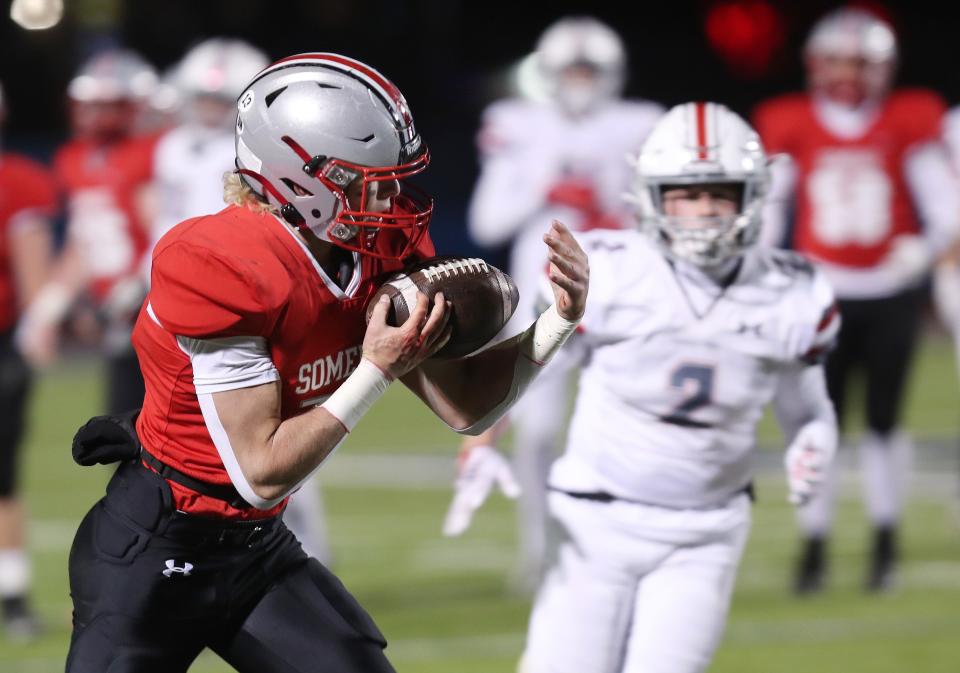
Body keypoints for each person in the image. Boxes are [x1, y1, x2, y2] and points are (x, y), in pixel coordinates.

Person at [64, 52, 589, 673]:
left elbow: (468, 406)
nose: (392, 198)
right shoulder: (219, 262)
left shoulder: (376, 251)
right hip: (154, 546)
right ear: (300, 179)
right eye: (371, 181)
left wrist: (556, 321)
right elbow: (261, 470)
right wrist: (375, 369)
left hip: (255, 550)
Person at [449, 101, 840, 673]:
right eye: (686, 193)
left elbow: (809, 409)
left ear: (752, 195)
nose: (704, 211)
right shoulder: (608, 268)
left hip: (705, 533)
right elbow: (530, 366)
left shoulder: (791, 291)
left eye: (719, 193)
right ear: (652, 197)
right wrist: (480, 439)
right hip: (593, 521)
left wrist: (813, 443)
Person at [753, 7, 959, 594]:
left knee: (885, 422)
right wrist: (762, 272)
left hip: (888, 291)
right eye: (838, 61)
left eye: (861, 63)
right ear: (816, 65)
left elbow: (943, 207)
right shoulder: (787, 119)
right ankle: (814, 544)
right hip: (820, 291)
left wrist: (921, 250)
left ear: (884, 68)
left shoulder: (910, 117)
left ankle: (884, 541)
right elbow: (771, 210)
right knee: (818, 421)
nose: (848, 73)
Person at [457, 15, 664, 589]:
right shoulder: (518, 124)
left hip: (620, 302)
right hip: (543, 305)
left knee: (636, 429)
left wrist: (604, 200)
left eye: (588, 70)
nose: (579, 79)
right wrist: (543, 187)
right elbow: (487, 219)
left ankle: (631, 546)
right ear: (548, 74)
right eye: (570, 69)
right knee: (538, 432)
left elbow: (656, 223)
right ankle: (539, 547)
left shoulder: (639, 124)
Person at [150, 39, 329, 563]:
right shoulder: (174, 148)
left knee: (281, 440)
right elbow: (167, 227)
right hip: (200, 306)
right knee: (198, 449)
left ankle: (310, 561)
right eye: (202, 99)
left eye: (221, 99)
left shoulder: (268, 154)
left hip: (261, 300)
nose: (208, 109)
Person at [17, 48, 161, 415]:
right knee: (121, 430)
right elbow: (85, 244)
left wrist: (135, 286)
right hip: (115, 314)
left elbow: (164, 230)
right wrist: (48, 309)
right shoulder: (74, 158)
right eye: (86, 103)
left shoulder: (149, 153)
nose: (89, 113)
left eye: (104, 104)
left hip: (155, 304)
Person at [0, 82, 57, 640]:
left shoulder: (16, 180)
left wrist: (41, 323)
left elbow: (33, 269)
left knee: (3, 475)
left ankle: (12, 592)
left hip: (1, 344)